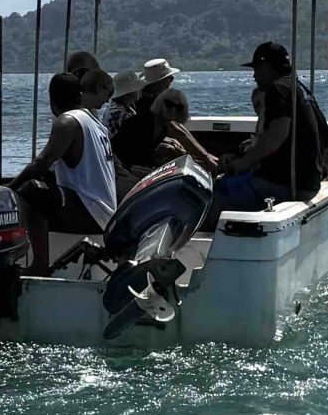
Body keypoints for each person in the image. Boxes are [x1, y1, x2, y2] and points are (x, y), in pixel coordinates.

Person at [12, 68, 118, 272]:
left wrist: (9, 189)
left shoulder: (68, 121)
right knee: (42, 186)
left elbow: (41, 162)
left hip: (92, 213)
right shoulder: (95, 122)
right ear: (80, 95)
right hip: (105, 212)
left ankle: (39, 265)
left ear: (52, 103)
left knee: (32, 191)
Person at [213, 41, 328, 211]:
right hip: (308, 184)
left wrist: (241, 163)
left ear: (266, 67)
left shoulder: (278, 89)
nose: (254, 76)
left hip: (282, 187)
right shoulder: (302, 91)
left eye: (256, 70)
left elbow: (276, 135)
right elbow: (324, 136)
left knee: (210, 195)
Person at [106, 56, 213, 186]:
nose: (172, 81)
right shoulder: (149, 104)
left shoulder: (140, 101)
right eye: (170, 78)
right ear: (161, 83)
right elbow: (177, 130)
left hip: (136, 155)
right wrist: (206, 157)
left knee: (173, 149)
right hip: (129, 163)